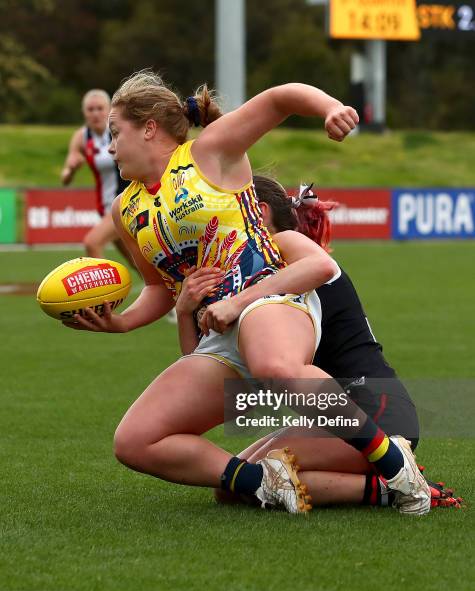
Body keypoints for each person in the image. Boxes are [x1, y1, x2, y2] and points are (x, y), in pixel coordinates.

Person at [64, 70, 430, 515]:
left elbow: (281, 97)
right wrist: (117, 322)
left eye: (115, 132)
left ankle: (397, 467)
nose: (109, 146)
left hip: (268, 299)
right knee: (135, 440)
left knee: (275, 365)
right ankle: (266, 483)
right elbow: (158, 288)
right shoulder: (127, 210)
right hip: (222, 332)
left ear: (148, 127)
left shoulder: (208, 151)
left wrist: (330, 107)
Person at [172, 175, 458, 509]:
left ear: (259, 214)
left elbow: (323, 265)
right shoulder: (250, 278)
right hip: (328, 416)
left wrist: (235, 303)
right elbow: (209, 373)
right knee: (231, 483)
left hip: (373, 411)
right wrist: (183, 312)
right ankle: (388, 483)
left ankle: (395, 486)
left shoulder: (294, 260)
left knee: (258, 477)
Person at [61, 89, 132, 264]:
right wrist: (71, 169)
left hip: (126, 202)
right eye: (90, 109)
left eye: (100, 108)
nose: (95, 113)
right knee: (136, 262)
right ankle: (168, 289)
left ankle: (103, 292)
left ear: (109, 110)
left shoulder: (120, 131)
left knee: (92, 243)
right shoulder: (81, 137)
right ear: (84, 112)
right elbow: (65, 179)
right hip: (105, 207)